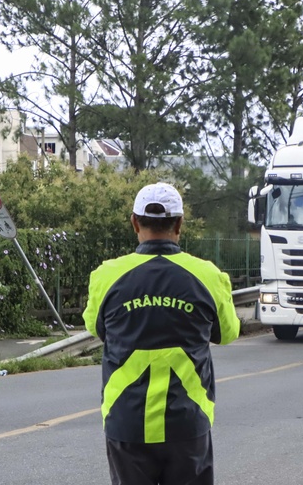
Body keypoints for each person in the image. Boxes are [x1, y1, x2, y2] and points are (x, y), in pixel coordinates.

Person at [82, 182, 240, 485]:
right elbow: (228, 333)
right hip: (187, 420)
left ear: (134, 223)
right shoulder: (207, 275)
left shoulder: (107, 275)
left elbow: (96, 328)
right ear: (179, 224)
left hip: (126, 420)